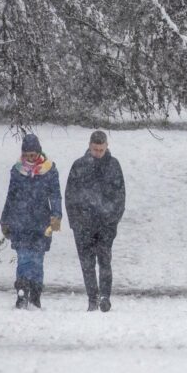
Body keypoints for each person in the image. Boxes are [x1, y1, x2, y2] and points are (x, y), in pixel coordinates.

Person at [65, 130, 125, 312]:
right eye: (95, 149)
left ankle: (105, 296)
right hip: (83, 224)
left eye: (101, 149)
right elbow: (70, 196)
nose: (98, 152)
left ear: (107, 146)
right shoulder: (79, 166)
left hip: (105, 224)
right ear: (89, 146)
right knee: (87, 263)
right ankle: (93, 297)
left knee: (105, 260)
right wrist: (75, 222)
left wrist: (113, 220)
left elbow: (120, 196)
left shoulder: (114, 166)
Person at [0, 133, 62, 310]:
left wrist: (56, 215)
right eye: (27, 155)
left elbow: (55, 195)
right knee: (23, 259)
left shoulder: (49, 170)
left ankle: (35, 294)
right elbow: (10, 197)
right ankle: (22, 293)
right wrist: (5, 220)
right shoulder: (17, 171)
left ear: (39, 153)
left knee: (37, 260)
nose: (30, 158)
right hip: (20, 222)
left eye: (33, 155)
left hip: (41, 222)